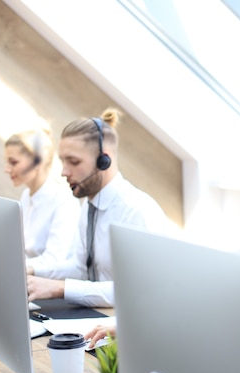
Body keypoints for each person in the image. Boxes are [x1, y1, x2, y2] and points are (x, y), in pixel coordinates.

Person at [27, 108, 176, 308]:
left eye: (74, 162)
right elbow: (82, 269)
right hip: (95, 318)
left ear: (103, 161)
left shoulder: (138, 211)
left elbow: (140, 291)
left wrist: (59, 288)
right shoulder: (89, 206)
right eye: (63, 162)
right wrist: (34, 271)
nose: (64, 172)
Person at [4, 128, 81, 273]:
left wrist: (5, 267)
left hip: (45, 286)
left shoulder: (65, 203)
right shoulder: (27, 195)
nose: (7, 169)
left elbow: (53, 261)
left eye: (13, 162)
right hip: (21, 276)